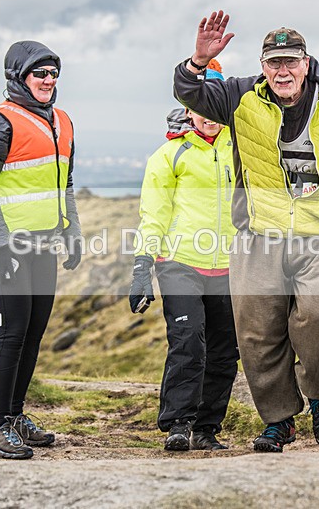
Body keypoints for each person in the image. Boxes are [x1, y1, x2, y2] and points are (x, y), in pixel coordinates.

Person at [173, 11, 319, 452]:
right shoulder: (239, 96)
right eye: (273, 62)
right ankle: (279, 421)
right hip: (259, 236)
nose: (282, 71)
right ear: (262, 66)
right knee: (258, 336)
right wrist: (198, 61)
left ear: (306, 63)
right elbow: (189, 93)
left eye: (290, 62)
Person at [0, 40, 82, 459]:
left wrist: (72, 231)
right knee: (12, 332)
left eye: (54, 73)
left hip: (43, 243)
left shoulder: (62, 121)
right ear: (18, 76)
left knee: (33, 333)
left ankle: (15, 417)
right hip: (7, 247)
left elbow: (64, 183)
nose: (49, 80)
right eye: (40, 73)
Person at [130, 60, 240, 451]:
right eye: (200, 106)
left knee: (225, 351)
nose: (208, 115)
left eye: (214, 105)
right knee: (188, 340)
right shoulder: (169, 155)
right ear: (188, 108)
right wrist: (142, 266)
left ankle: (207, 428)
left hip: (231, 265)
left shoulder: (242, 149)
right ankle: (178, 422)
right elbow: (153, 214)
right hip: (179, 262)